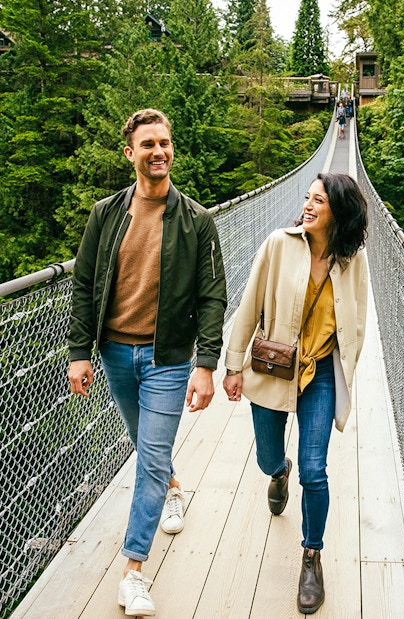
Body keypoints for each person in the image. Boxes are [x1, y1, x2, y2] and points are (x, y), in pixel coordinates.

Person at [68, 108, 227, 616]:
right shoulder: (105, 214)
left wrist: (206, 363)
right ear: (130, 153)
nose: (159, 151)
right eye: (148, 144)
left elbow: (212, 296)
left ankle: (132, 571)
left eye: (165, 142)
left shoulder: (197, 220)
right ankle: (174, 488)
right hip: (114, 351)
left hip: (169, 357)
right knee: (146, 446)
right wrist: (78, 353)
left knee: (150, 456)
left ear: (171, 149)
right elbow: (84, 285)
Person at [223, 172, 368, 614]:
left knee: (315, 470)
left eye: (318, 200)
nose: (307, 205)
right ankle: (277, 471)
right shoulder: (278, 244)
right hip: (272, 365)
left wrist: (346, 364)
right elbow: (248, 304)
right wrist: (233, 365)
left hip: (321, 372)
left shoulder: (352, 259)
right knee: (270, 457)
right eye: (306, 197)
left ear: (337, 211)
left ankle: (311, 556)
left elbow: (357, 317)